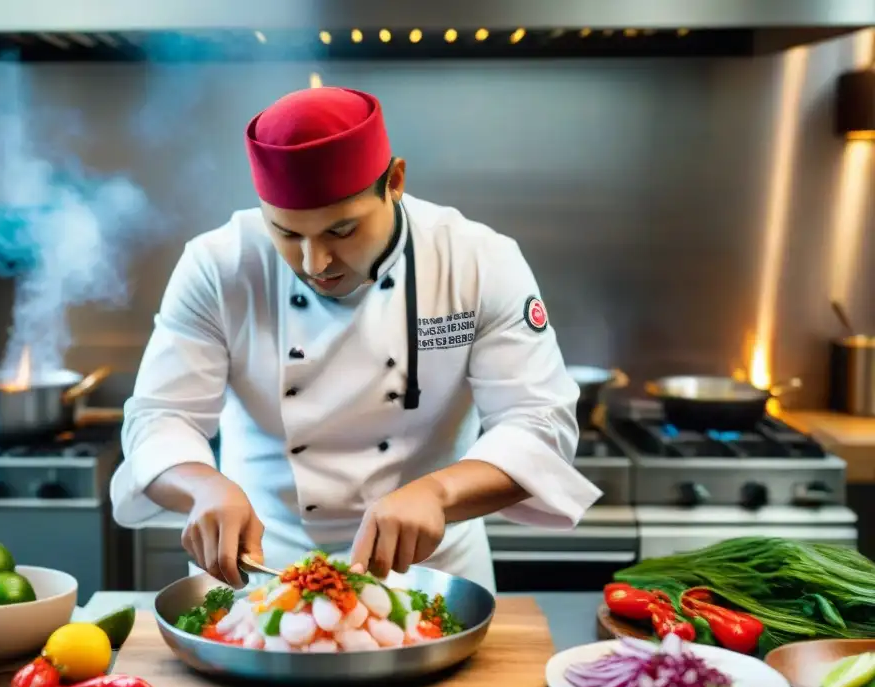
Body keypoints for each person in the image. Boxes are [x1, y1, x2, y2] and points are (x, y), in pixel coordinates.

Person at [109, 85, 601, 593]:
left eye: (341, 232)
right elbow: (159, 417)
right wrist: (203, 487)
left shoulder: (477, 261)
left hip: (430, 576)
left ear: (396, 181)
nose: (313, 264)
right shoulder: (218, 265)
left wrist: (438, 494)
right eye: (286, 233)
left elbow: (538, 423)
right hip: (258, 572)